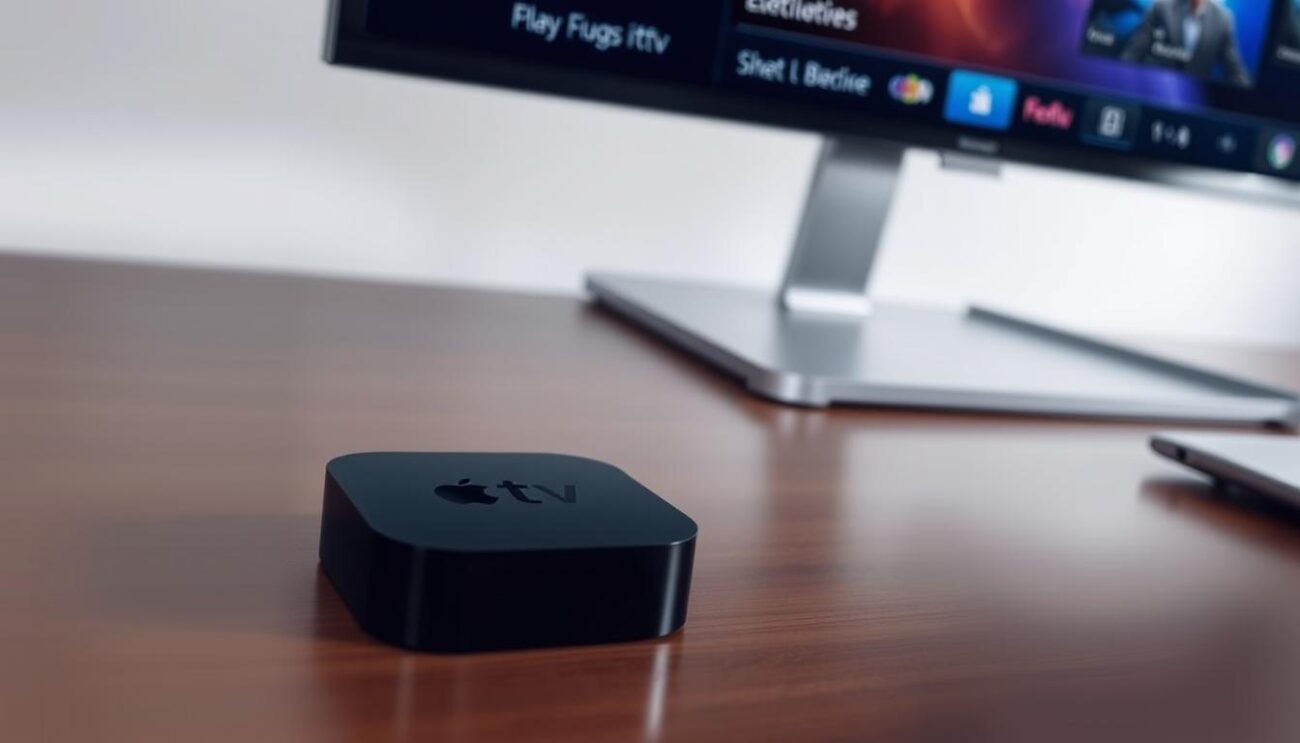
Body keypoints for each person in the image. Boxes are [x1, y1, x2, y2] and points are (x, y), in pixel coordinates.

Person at [1121, 0, 1251, 87]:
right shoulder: (1161, 7)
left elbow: (1235, 72)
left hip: (1195, 103)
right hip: (1153, 91)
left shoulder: (1223, 19)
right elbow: (1132, 55)